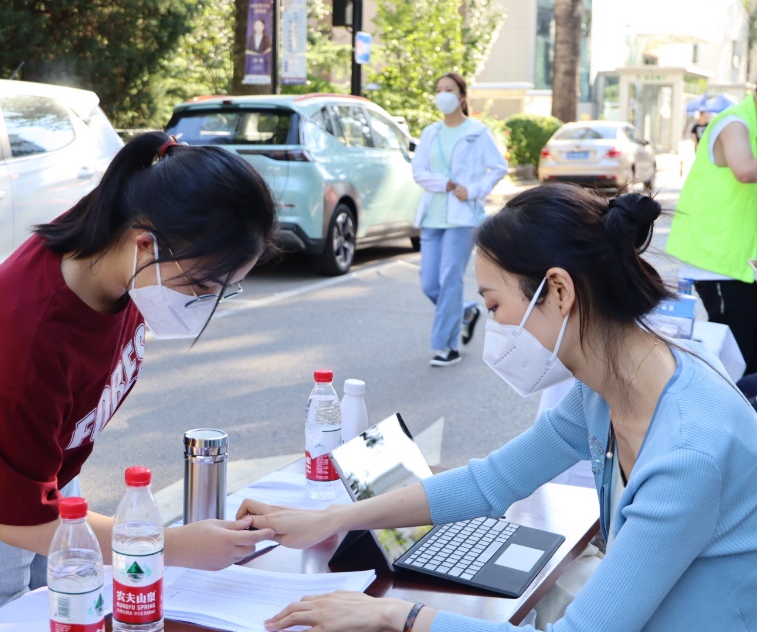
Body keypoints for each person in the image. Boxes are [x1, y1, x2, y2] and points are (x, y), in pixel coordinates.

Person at [239, 184, 757, 631]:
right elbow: (490, 482)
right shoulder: (611, 388)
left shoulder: (688, 451)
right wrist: (332, 518)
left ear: (558, 290)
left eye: (494, 306)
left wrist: (396, 615)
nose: (495, 328)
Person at [0, 132, 278, 632]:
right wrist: (171, 545)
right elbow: (19, 521)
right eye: (200, 286)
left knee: (63, 612)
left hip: (40, 472)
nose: (204, 304)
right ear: (144, 243)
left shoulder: (115, 255)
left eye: (225, 290)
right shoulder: (23, 334)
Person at [412, 72, 507, 367]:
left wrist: (473, 190)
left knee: (449, 279)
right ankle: (466, 311)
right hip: (433, 215)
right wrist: (446, 184)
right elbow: (418, 172)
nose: (443, 94)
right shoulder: (430, 133)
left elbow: (499, 167)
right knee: (430, 284)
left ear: (462, 96)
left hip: (463, 217)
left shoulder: (476, 132)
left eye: (449, 89)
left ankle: (447, 346)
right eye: (439, 89)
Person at [667, 92, 757, 375]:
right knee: (742, 360)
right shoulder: (735, 123)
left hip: (739, 262)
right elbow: (744, 170)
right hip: (717, 263)